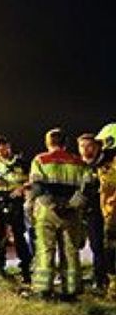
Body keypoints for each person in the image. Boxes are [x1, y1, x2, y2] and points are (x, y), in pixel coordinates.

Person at [29, 128, 90, 301]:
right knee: (70, 251)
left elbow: (38, 186)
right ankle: (71, 291)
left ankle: (43, 290)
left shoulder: (40, 160)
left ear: (48, 143)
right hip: (71, 214)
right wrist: (71, 205)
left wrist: (53, 205)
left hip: (47, 212)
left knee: (45, 250)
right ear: (66, 143)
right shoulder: (79, 163)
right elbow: (88, 188)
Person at [0, 136, 33, 284]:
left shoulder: (21, 163)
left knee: (18, 235)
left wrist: (21, 188)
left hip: (15, 201)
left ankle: (25, 267)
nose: (2, 151)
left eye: (4, 147)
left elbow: (32, 180)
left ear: (9, 146)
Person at [79, 132, 114, 294]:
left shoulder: (108, 163)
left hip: (110, 211)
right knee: (96, 246)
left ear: (98, 147)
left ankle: (105, 278)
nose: (85, 150)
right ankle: (99, 278)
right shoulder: (80, 166)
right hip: (91, 212)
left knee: (108, 246)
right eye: (82, 146)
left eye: (89, 146)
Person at [95, 123, 116, 298]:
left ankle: (114, 287)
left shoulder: (110, 165)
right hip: (109, 212)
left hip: (113, 214)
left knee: (111, 249)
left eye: (103, 142)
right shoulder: (105, 164)